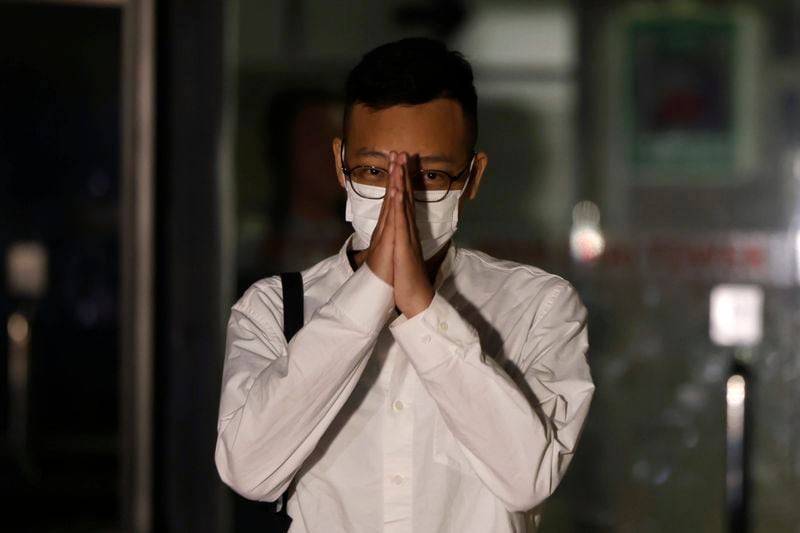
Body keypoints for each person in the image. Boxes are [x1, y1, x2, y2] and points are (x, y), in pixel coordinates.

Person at [215, 37, 594, 533]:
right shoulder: (271, 308)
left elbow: (528, 478)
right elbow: (248, 470)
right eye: (375, 171)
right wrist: (370, 291)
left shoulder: (537, 308)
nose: (399, 196)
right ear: (340, 164)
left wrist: (422, 310)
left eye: (430, 175)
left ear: (472, 178)